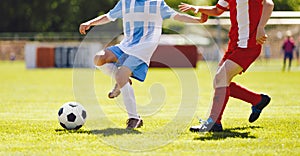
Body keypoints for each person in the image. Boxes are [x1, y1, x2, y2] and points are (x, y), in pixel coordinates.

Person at [79, 0, 208, 129]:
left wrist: (198, 20)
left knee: (121, 75)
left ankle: (134, 118)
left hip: (145, 46)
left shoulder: (157, 3)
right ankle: (123, 81)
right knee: (99, 58)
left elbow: (177, 16)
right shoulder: (125, 3)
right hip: (126, 44)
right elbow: (108, 16)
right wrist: (90, 23)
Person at [179, 0, 274, 132]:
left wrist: (261, 27)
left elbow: (269, 3)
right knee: (219, 82)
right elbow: (218, 10)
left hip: (249, 45)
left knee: (221, 78)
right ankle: (258, 100)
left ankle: (214, 122)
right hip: (234, 44)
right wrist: (198, 8)